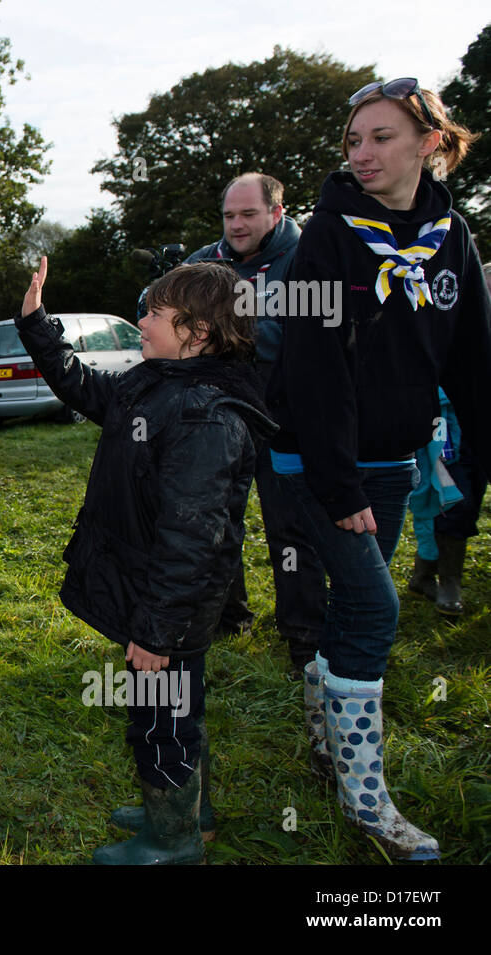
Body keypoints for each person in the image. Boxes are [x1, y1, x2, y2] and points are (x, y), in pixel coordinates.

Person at [266, 77, 489, 861]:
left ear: (429, 143)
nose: (361, 153)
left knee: (348, 607)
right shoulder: (327, 236)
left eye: (380, 138)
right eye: (353, 140)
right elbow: (312, 366)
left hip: (399, 459)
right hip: (322, 464)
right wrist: (338, 483)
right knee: (375, 611)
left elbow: (472, 359)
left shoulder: (452, 234)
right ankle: (368, 799)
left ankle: (325, 740)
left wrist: (478, 455)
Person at [18, 258, 273, 864]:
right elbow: (85, 389)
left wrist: (159, 631)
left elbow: (193, 538)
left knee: (161, 717)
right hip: (153, 596)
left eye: (155, 314)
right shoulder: (157, 385)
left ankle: (172, 839)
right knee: (173, 707)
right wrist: (36, 325)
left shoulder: (203, 416)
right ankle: (189, 809)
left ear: (199, 332)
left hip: (170, 609)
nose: (141, 323)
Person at [186, 173, 325, 666]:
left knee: (291, 529)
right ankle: (229, 617)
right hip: (221, 419)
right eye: (229, 216)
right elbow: (162, 306)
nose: (236, 226)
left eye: (248, 215)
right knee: (217, 520)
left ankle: (304, 636)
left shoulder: (308, 256)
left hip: (287, 418)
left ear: (277, 213)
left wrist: (220, 332)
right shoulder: (207, 260)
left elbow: (300, 337)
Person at [407, 387, 485, 616]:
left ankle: (423, 576)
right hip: (442, 421)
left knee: (473, 496)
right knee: (454, 502)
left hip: (476, 419)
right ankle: (449, 583)